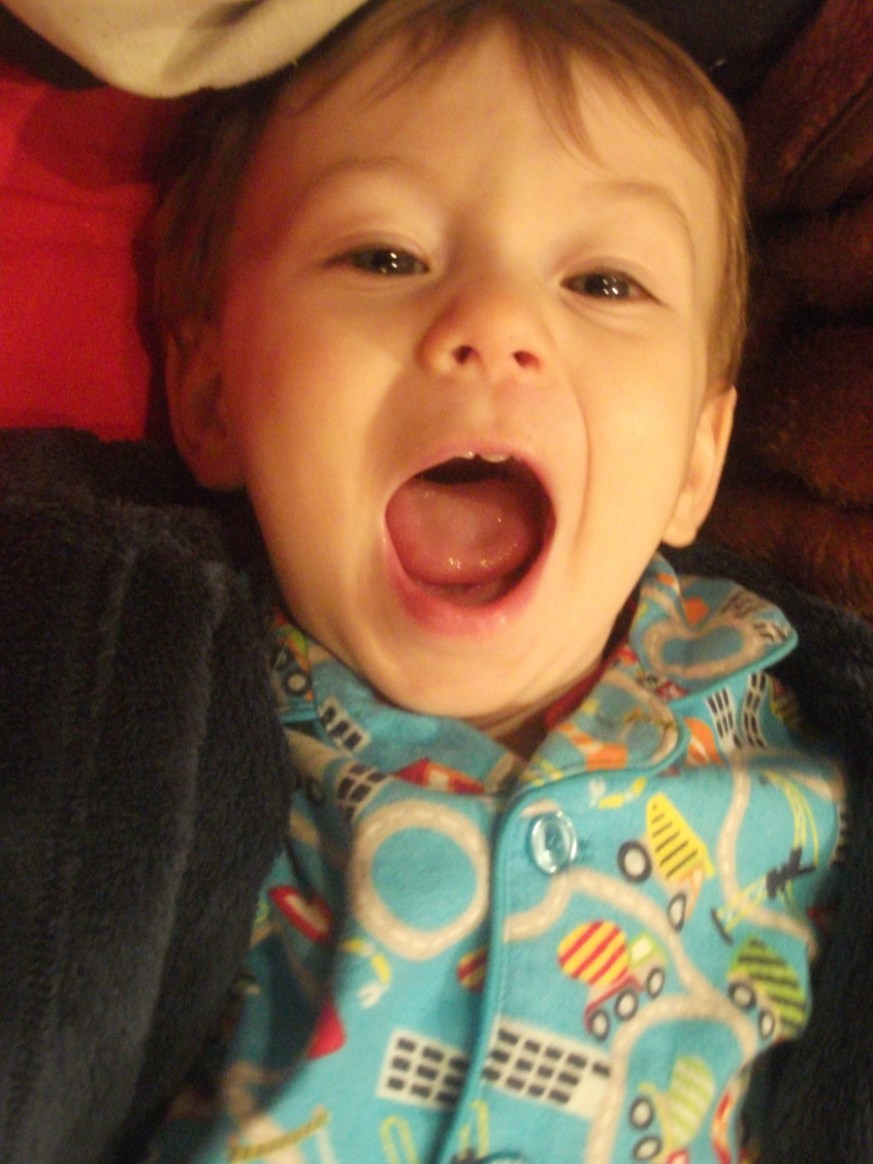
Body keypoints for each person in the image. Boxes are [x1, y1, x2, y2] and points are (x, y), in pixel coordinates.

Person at [0, 2, 868, 1163]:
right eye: (386, 258)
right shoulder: (130, 709)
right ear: (212, 396)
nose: (493, 324)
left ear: (698, 462)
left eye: (605, 282)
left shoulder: (809, 742)